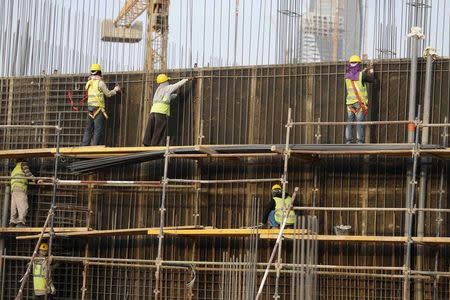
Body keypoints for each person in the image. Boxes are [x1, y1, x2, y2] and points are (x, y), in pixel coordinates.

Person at [143, 74, 191, 146]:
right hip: (161, 112)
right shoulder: (167, 88)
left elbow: (166, 97)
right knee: (158, 130)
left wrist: (176, 96)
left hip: (153, 112)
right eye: (168, 80)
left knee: (150, 129)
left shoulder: (158, 90)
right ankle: (153, 146)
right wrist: (186, 79)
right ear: (165, 81)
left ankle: (146, 143)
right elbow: (177, 85)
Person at [81, 63, 121, 146]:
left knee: (88, 129)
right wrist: (115, 90)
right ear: (99, 72)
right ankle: (93, 147)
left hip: (90, 109)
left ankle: (83, 146)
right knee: (97, 130)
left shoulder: (88, 83)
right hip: (98, 109)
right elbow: (108, 94)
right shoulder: (100, 83)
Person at [344, 55, 375, 144]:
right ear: (359, 64)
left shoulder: (347, 76)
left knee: (350, 122)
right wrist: (371, 70)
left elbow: (355, 75)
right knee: (359, 122)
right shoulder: (362, 75)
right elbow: (372, 79)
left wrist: (363, 71)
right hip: (359, 103)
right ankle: (360, 142)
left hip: (349, 103)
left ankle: (348, 141)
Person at [10, 159, 35, 227]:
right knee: (23, 206)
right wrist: (36, 180)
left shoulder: (15, 168)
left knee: (14, 206)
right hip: (20, 188)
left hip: (13, 189)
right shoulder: (23, 164)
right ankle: (21, 221)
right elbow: (28, 174)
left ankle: (12, 221)